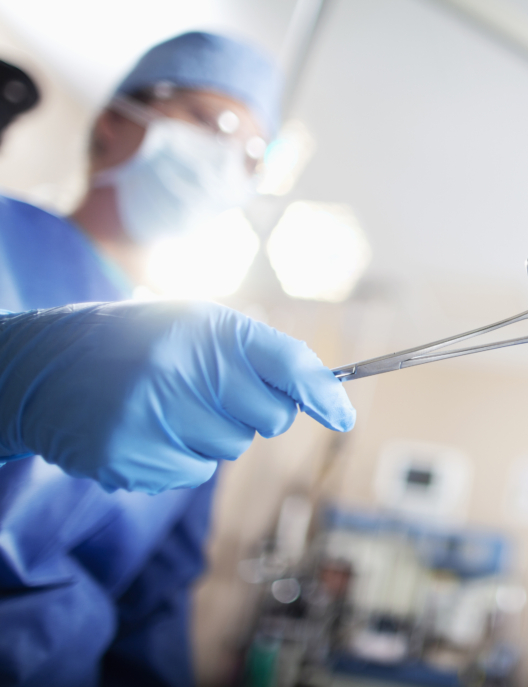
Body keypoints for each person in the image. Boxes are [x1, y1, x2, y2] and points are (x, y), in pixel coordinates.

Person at [0, 33, 356, 686]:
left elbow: (156, 606)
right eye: (213, 123)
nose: (227, 160)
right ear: (114, 121)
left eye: (251, 156)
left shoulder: (197, 369)